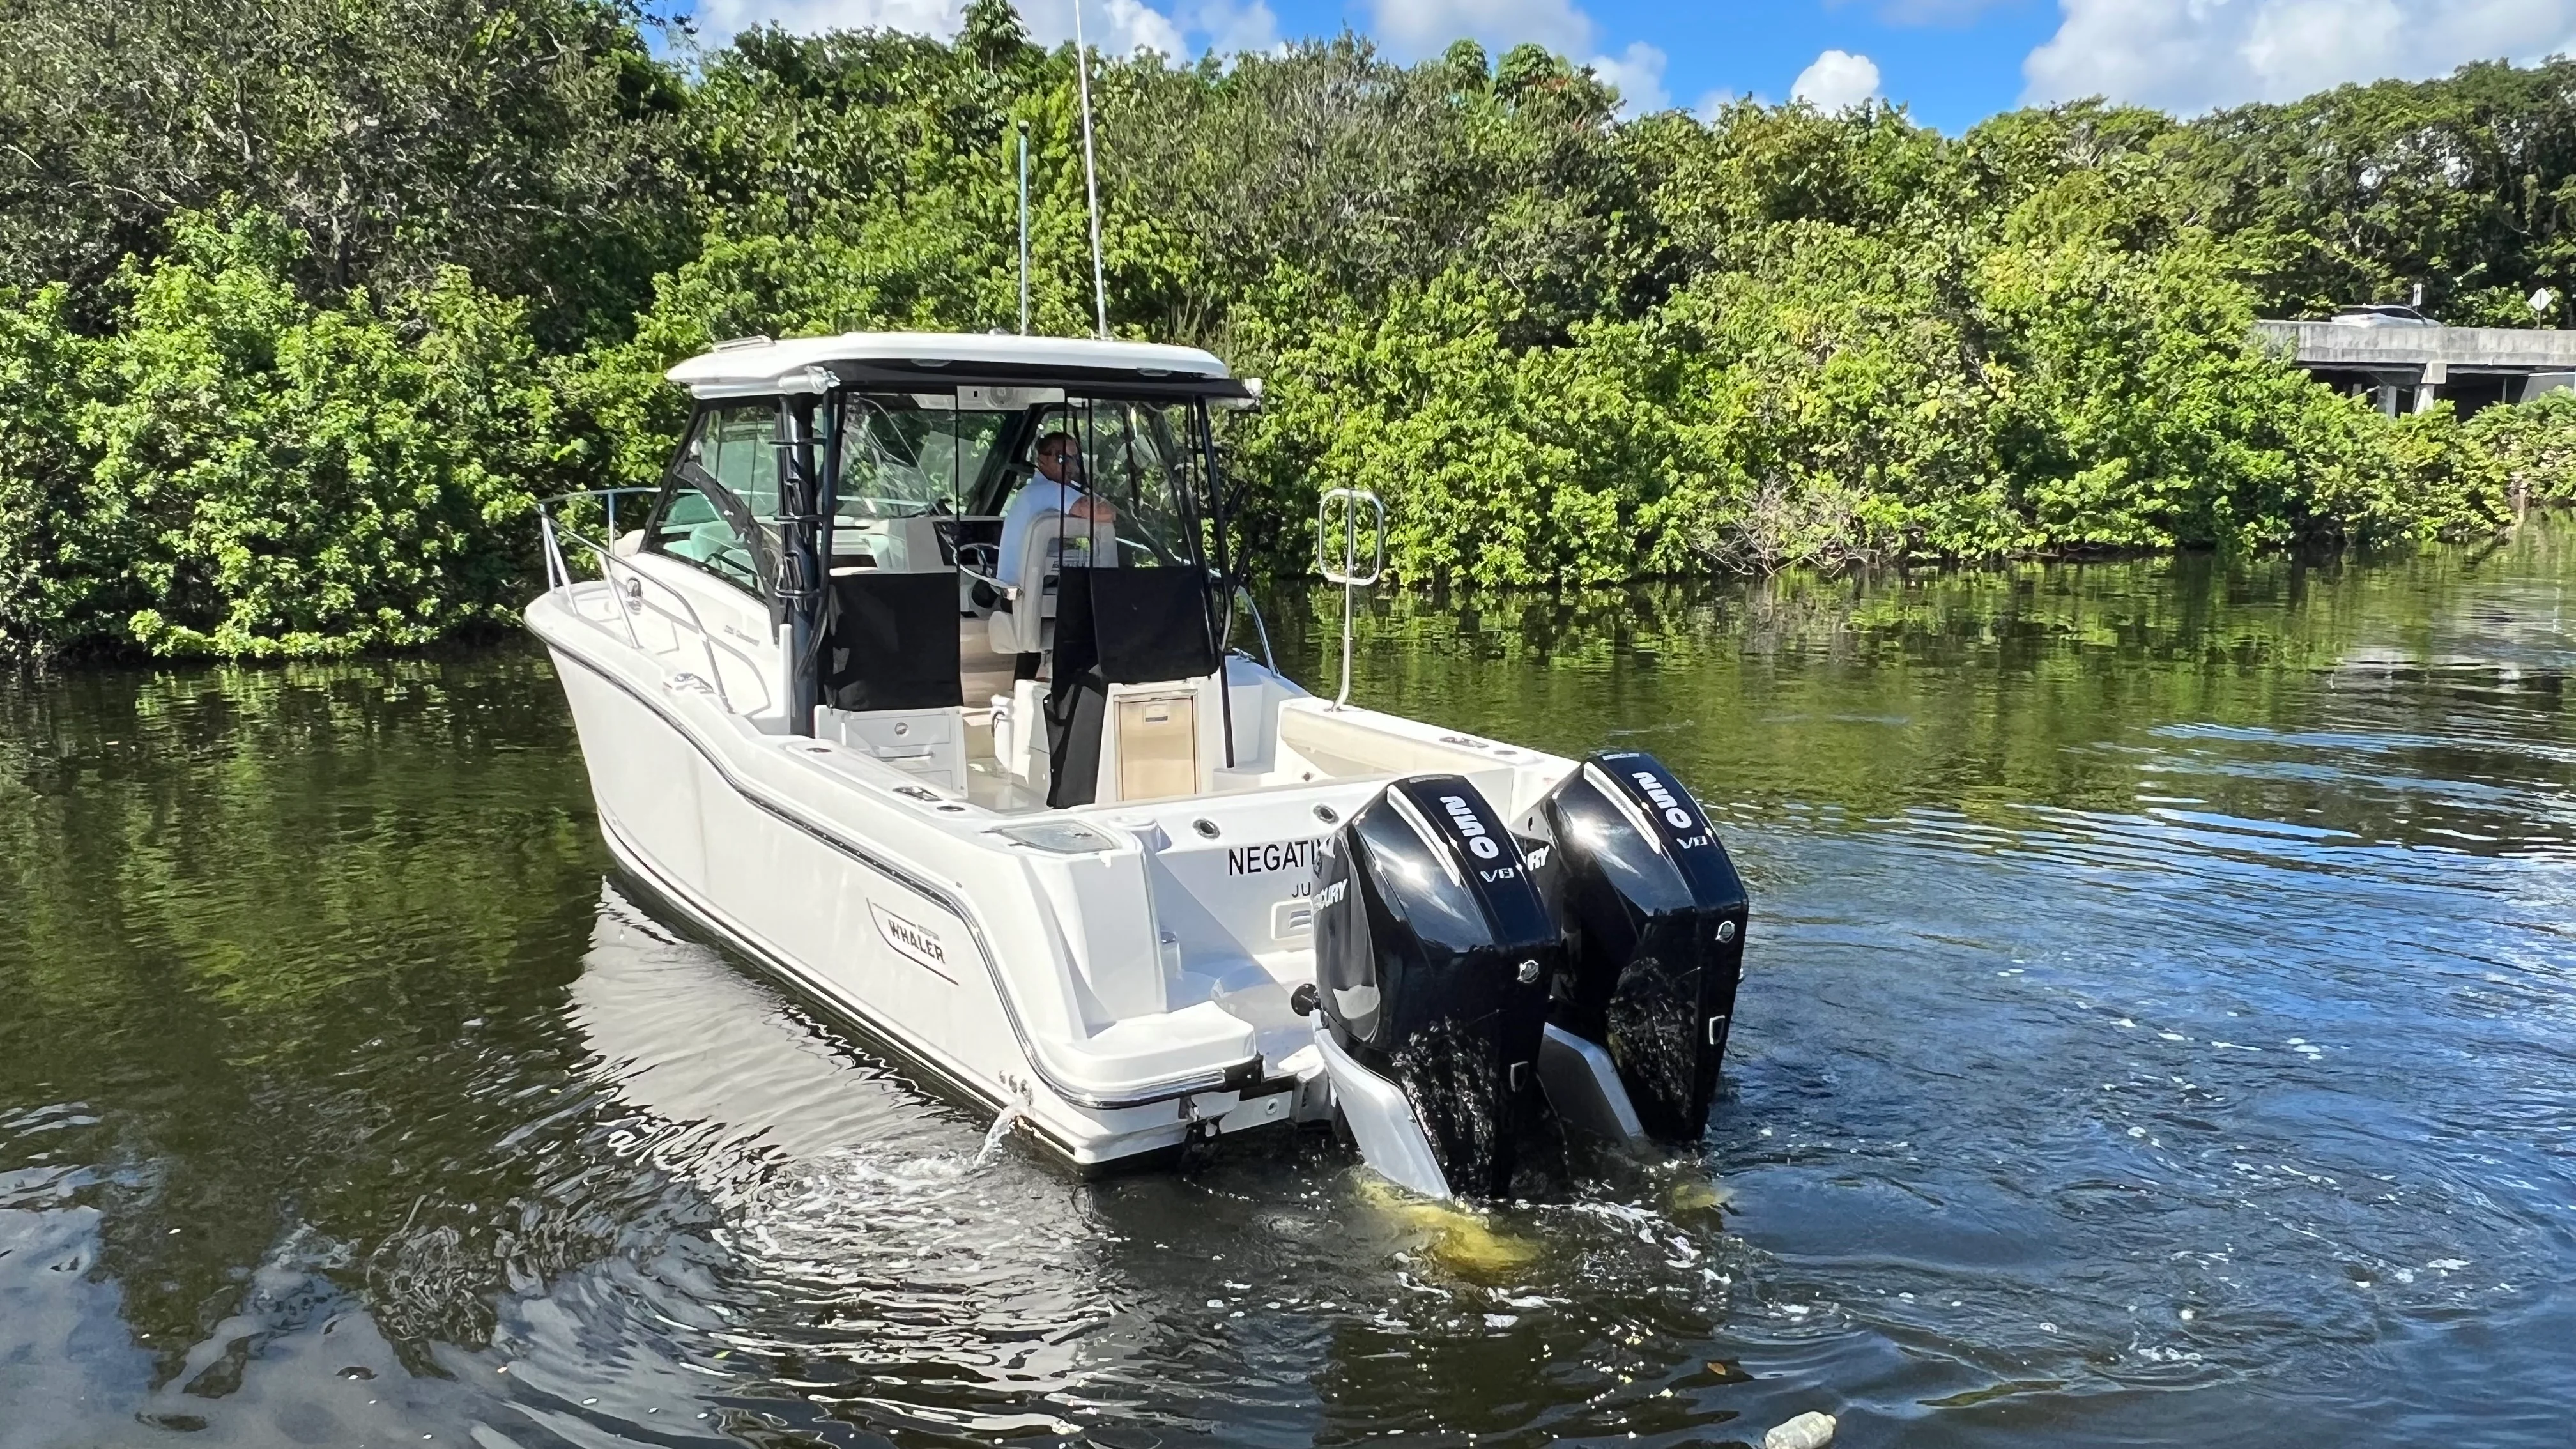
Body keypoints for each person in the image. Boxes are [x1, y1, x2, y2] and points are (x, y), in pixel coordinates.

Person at [995, 428, 1117, 678]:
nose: (1071, 467)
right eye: (1063, 459)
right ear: (1043, 460)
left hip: (1019, 594)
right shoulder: (1048, 491)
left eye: (1075, 459)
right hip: (1031, 595)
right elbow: (1106, 514)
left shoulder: (1031, 494)